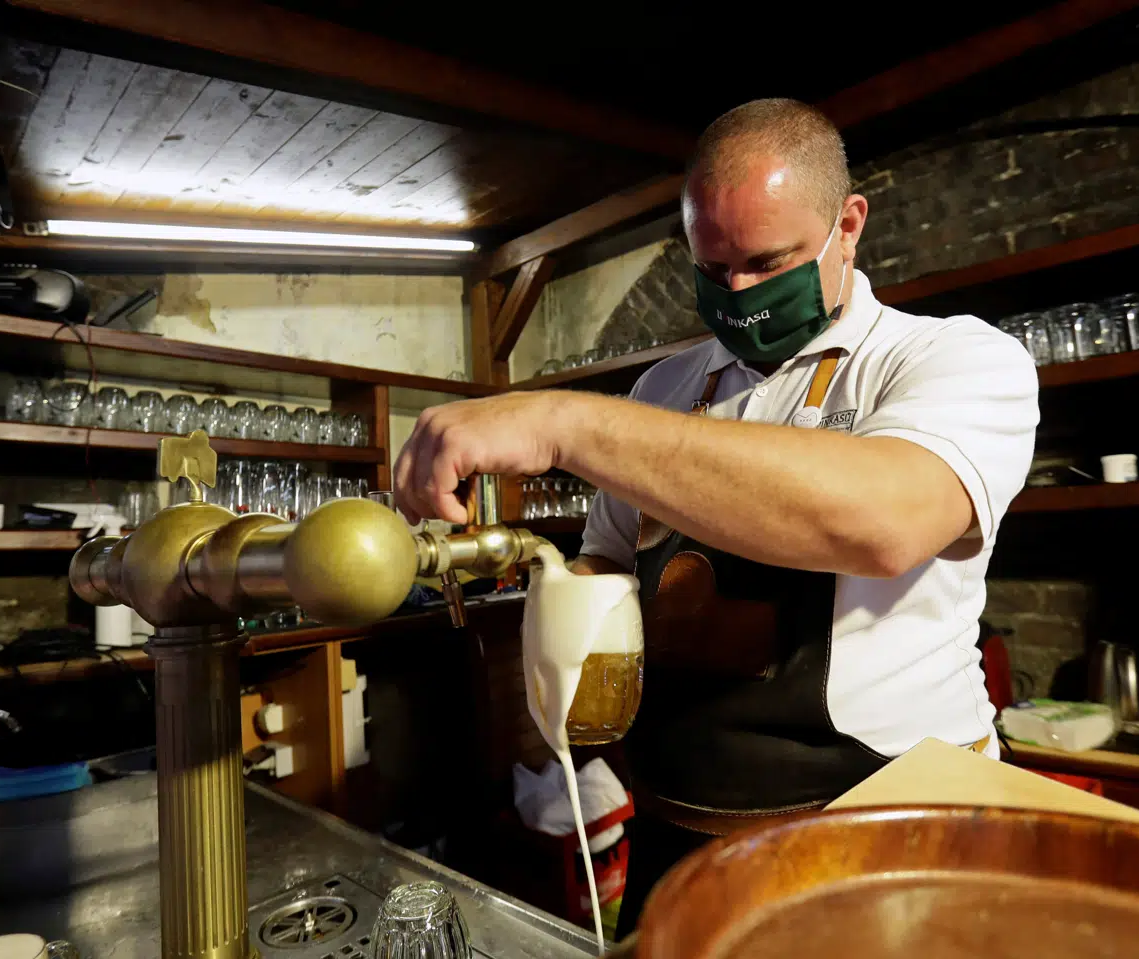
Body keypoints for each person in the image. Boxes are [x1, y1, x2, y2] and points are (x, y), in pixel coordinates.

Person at [393, 98, 1039, 934]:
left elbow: (883, 522)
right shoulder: (663, 392)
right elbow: (609, 563)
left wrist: (563, 421)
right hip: (680, 833)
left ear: (848, 225)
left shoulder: (950, 358)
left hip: (886, 838)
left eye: (768, 264)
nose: (738, 297)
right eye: (714, 269)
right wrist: (563, 607)